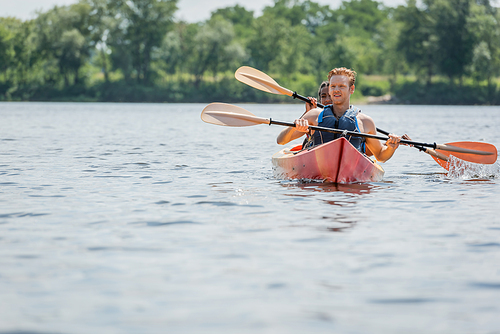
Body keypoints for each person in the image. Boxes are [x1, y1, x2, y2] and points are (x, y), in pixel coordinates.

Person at [277, 67, 401, 163]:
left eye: (341, 86)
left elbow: (380, 156)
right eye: (333, 86)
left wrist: (391, 148)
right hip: (317, 168)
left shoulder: (366, 121)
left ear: (351, 89)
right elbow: (281, 140)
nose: (336, 90)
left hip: (351, 171)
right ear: (329, 89)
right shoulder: (313, 116)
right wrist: (294, 126)